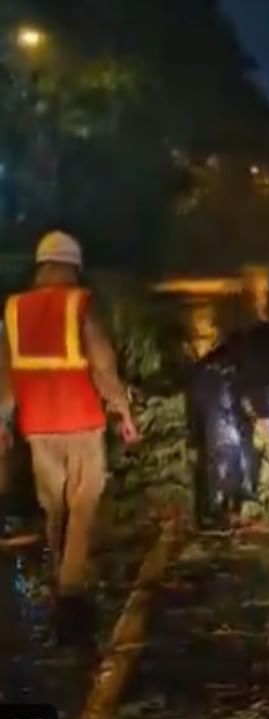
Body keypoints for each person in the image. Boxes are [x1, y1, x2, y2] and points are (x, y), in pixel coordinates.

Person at [0, 231, 140, 644]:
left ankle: (59, 568)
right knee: (84, 504)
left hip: (38, 426)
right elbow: (102, 366)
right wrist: (124, 411)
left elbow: (4, 378)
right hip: (81, 420)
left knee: (54, 506)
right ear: (73, 267)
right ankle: (71, 594)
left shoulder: (12, 310)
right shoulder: (81, 304)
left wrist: (2, 422)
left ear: (41, 266)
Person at [187, 311, 269, 531]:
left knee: (244, 447)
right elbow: (259, 393)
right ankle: (217, 513)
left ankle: (235, 507)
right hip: (214, 383)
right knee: (226, 449)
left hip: (223, 383)